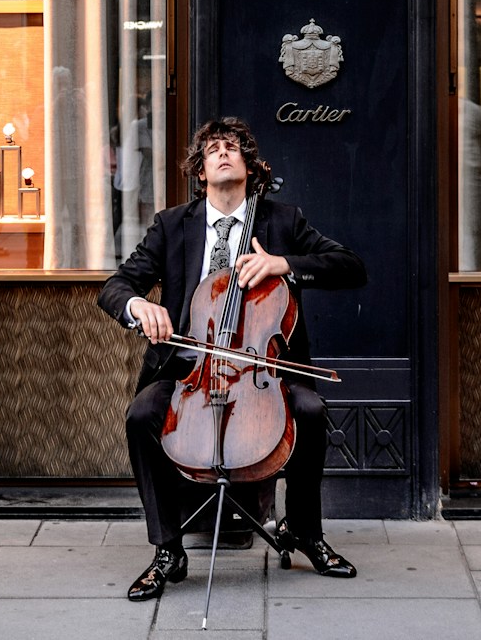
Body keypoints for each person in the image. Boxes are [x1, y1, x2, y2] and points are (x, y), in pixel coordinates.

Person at [98, 116, 366, 602]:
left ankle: (303, 530)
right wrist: (138, 305)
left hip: (262, 369)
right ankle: (167, 548)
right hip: (189, 370)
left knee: (310, 411)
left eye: (232, 148)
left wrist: (283, 263)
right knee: (141, 415)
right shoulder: (172, 225)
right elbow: (115, 287)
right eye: (212, 150)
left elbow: (349, 266)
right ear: (200, 171)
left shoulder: (282, 222)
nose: (222, 153)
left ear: (249, 165)